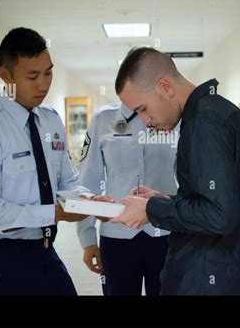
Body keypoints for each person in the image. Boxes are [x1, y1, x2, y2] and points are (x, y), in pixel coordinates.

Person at [0, 27, 111, 295]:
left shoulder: (50, 120)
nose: (43, 84)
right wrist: (55, 213)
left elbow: (67, 179)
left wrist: (87, 200)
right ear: (5, 75)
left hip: (45, 252)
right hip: (1, 260)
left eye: (49, 72)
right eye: (32, 76)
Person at [110, 47, 240, 295]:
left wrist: (151, 210)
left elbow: (219, 215)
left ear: (165, 87)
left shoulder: (204, 122)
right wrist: (164, 200)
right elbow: (215, 201)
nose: (145, 121)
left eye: (143, 108)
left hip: (208, 278)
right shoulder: (216, 111)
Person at [76, 102, 178, 295]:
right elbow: (89, 182)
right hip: (117, 235)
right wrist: (87, 238)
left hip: (166, 233)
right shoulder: (103, 120)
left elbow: (187, 178)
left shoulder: (173, 118)